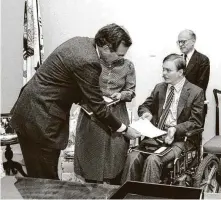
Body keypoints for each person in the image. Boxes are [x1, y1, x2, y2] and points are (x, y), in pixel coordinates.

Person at [9, 23, 141, 179]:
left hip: (32, 112)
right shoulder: (89, 61)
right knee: (44, 181)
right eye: (120, 55)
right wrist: (125, 129)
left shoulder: (81, 42)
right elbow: (98, 108)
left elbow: (69, 85)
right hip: (41, 118)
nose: (121, 59)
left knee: (40, 177)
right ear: (106, 47)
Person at [121, 53, 204, 184]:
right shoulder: (160, 88)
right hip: (155, 137)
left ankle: (148, 197)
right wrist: (146, 113)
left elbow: (196, 122)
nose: (164, 73)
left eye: (168, 70)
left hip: (179, 140)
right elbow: (144, 106)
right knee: (132, 157)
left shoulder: (195, 92)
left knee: (153, 160)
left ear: (180, 72)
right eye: (163, 69)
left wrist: (175, 129)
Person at [74, 41, 136, 184]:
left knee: (115, 160)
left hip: (117, 115)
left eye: (123, 54)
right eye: (119, 53)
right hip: (92, 116)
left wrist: (121, 95)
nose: (121, 57)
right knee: (91, 162)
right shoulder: (92, 62)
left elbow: (131, 92)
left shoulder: (128, 66)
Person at [177, 29, 210, 119]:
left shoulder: (203, 60)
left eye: (183, 42)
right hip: (178, 107)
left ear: (193, 41)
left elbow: (201, 86)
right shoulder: (177, 60)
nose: (180, 45)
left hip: (195, 107)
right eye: (179, 42)